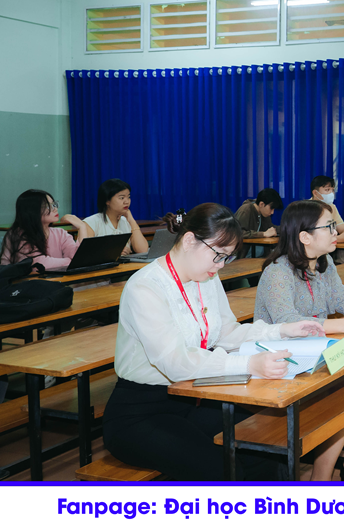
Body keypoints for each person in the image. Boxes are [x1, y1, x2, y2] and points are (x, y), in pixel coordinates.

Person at [102, 203, 325, 480]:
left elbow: (225, 333)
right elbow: (175, 362)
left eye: (227, 258)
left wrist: (282, 331)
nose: (220, 266)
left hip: (196, 398)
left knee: (264, 446)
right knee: (220, 469)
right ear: (189, 240)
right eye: (218, 255)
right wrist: (249, 364)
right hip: (141, 412)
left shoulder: (206, 276)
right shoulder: (146, 286)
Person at [254, 200, 344, 481]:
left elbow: (341, 298)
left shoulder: (324, 262)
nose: (336, 232)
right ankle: (321, 477)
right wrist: (342, 324)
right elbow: (288, 321)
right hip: (280, 363)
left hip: (315, 351)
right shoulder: (277, 272)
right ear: (305, 237)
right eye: (329, 227)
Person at [0, 189, 92, 270]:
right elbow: (38, 264)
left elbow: (80, 258)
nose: (55, 209)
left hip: (53, 281)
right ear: (32, 211)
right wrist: (70, 261)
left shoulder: (60, 233)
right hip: (24, 283)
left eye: (54, 204)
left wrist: (82, 227)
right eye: (48, 206)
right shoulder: (19, 234)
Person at [83, 179, 149, 255]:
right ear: (107, 201)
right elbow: (86, 253)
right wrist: (112, 251)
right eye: (122, 198)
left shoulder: (126, 221)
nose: (127, 201)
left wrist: (131, 220)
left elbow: (143, 250)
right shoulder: (91, 222)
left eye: (128, 197)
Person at [309, 176, 344, 245]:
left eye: (332, 190)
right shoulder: (306, 209)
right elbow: (311, 238)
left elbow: (342, 229)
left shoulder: (332, 207)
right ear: (315, 193)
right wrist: (338, 239)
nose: (331, 193)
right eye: (327, 190)